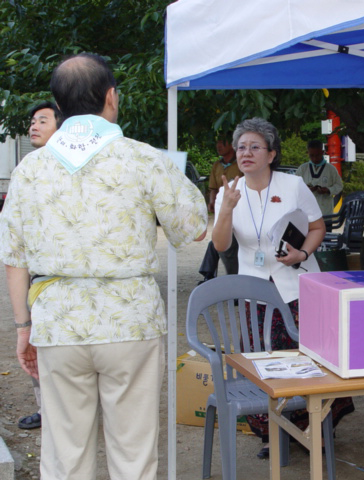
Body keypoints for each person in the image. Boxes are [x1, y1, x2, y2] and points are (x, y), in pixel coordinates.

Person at [0, 53, 208, 479]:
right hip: (129, 320)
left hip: (59, 322)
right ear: (111, 97)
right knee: (133, 454)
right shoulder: (144, 158)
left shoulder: (29, 169)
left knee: (64, 453)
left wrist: (24, 327)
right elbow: (193, 228)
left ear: (58, 105)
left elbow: (14, 256)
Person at [212, 117, 354, 458]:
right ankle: (272, 433)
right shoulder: (228, 192)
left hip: (297, 282)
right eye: (241, 147)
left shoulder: (292, 186)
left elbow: (317, 227)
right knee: (262, 359)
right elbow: (220, 245)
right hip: (254, 288)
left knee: (309, 356)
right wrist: (226, 210)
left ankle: (315, 427)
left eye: (255, 147)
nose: (246, 153)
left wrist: (303, 251)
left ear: (271, 154)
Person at [16, 102, 64, 432]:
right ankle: (46, 408)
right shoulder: (28, 168)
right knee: (36, 345)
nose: (34, 126)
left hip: (60, 278)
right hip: (38, 278)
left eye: (42, 121)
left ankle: (59, 411)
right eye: (33, 121)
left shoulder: (66, 170)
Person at [199, 136, 243, 281]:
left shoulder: (240, 165)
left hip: (239, 208)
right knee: (217, 242)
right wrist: (211, 202)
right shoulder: (217, 165)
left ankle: (229, 279)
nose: (218, 146)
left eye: (222, 142)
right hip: (222, 208)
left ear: (232, 145)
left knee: (230, 247)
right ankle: (208, 274)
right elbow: (213, 187)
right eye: (217, 142)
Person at [295, 139, 342, 219]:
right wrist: (306, 188)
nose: (314, 158)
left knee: (325, 230)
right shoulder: (303, 169)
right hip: (306, 211)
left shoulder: (331, 169)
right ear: (308, 153)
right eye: (311, 155)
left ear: (322, 153)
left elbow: (339, 186)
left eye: (317, 155)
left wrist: (328, 190)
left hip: (325, 211)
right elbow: (295, 186)